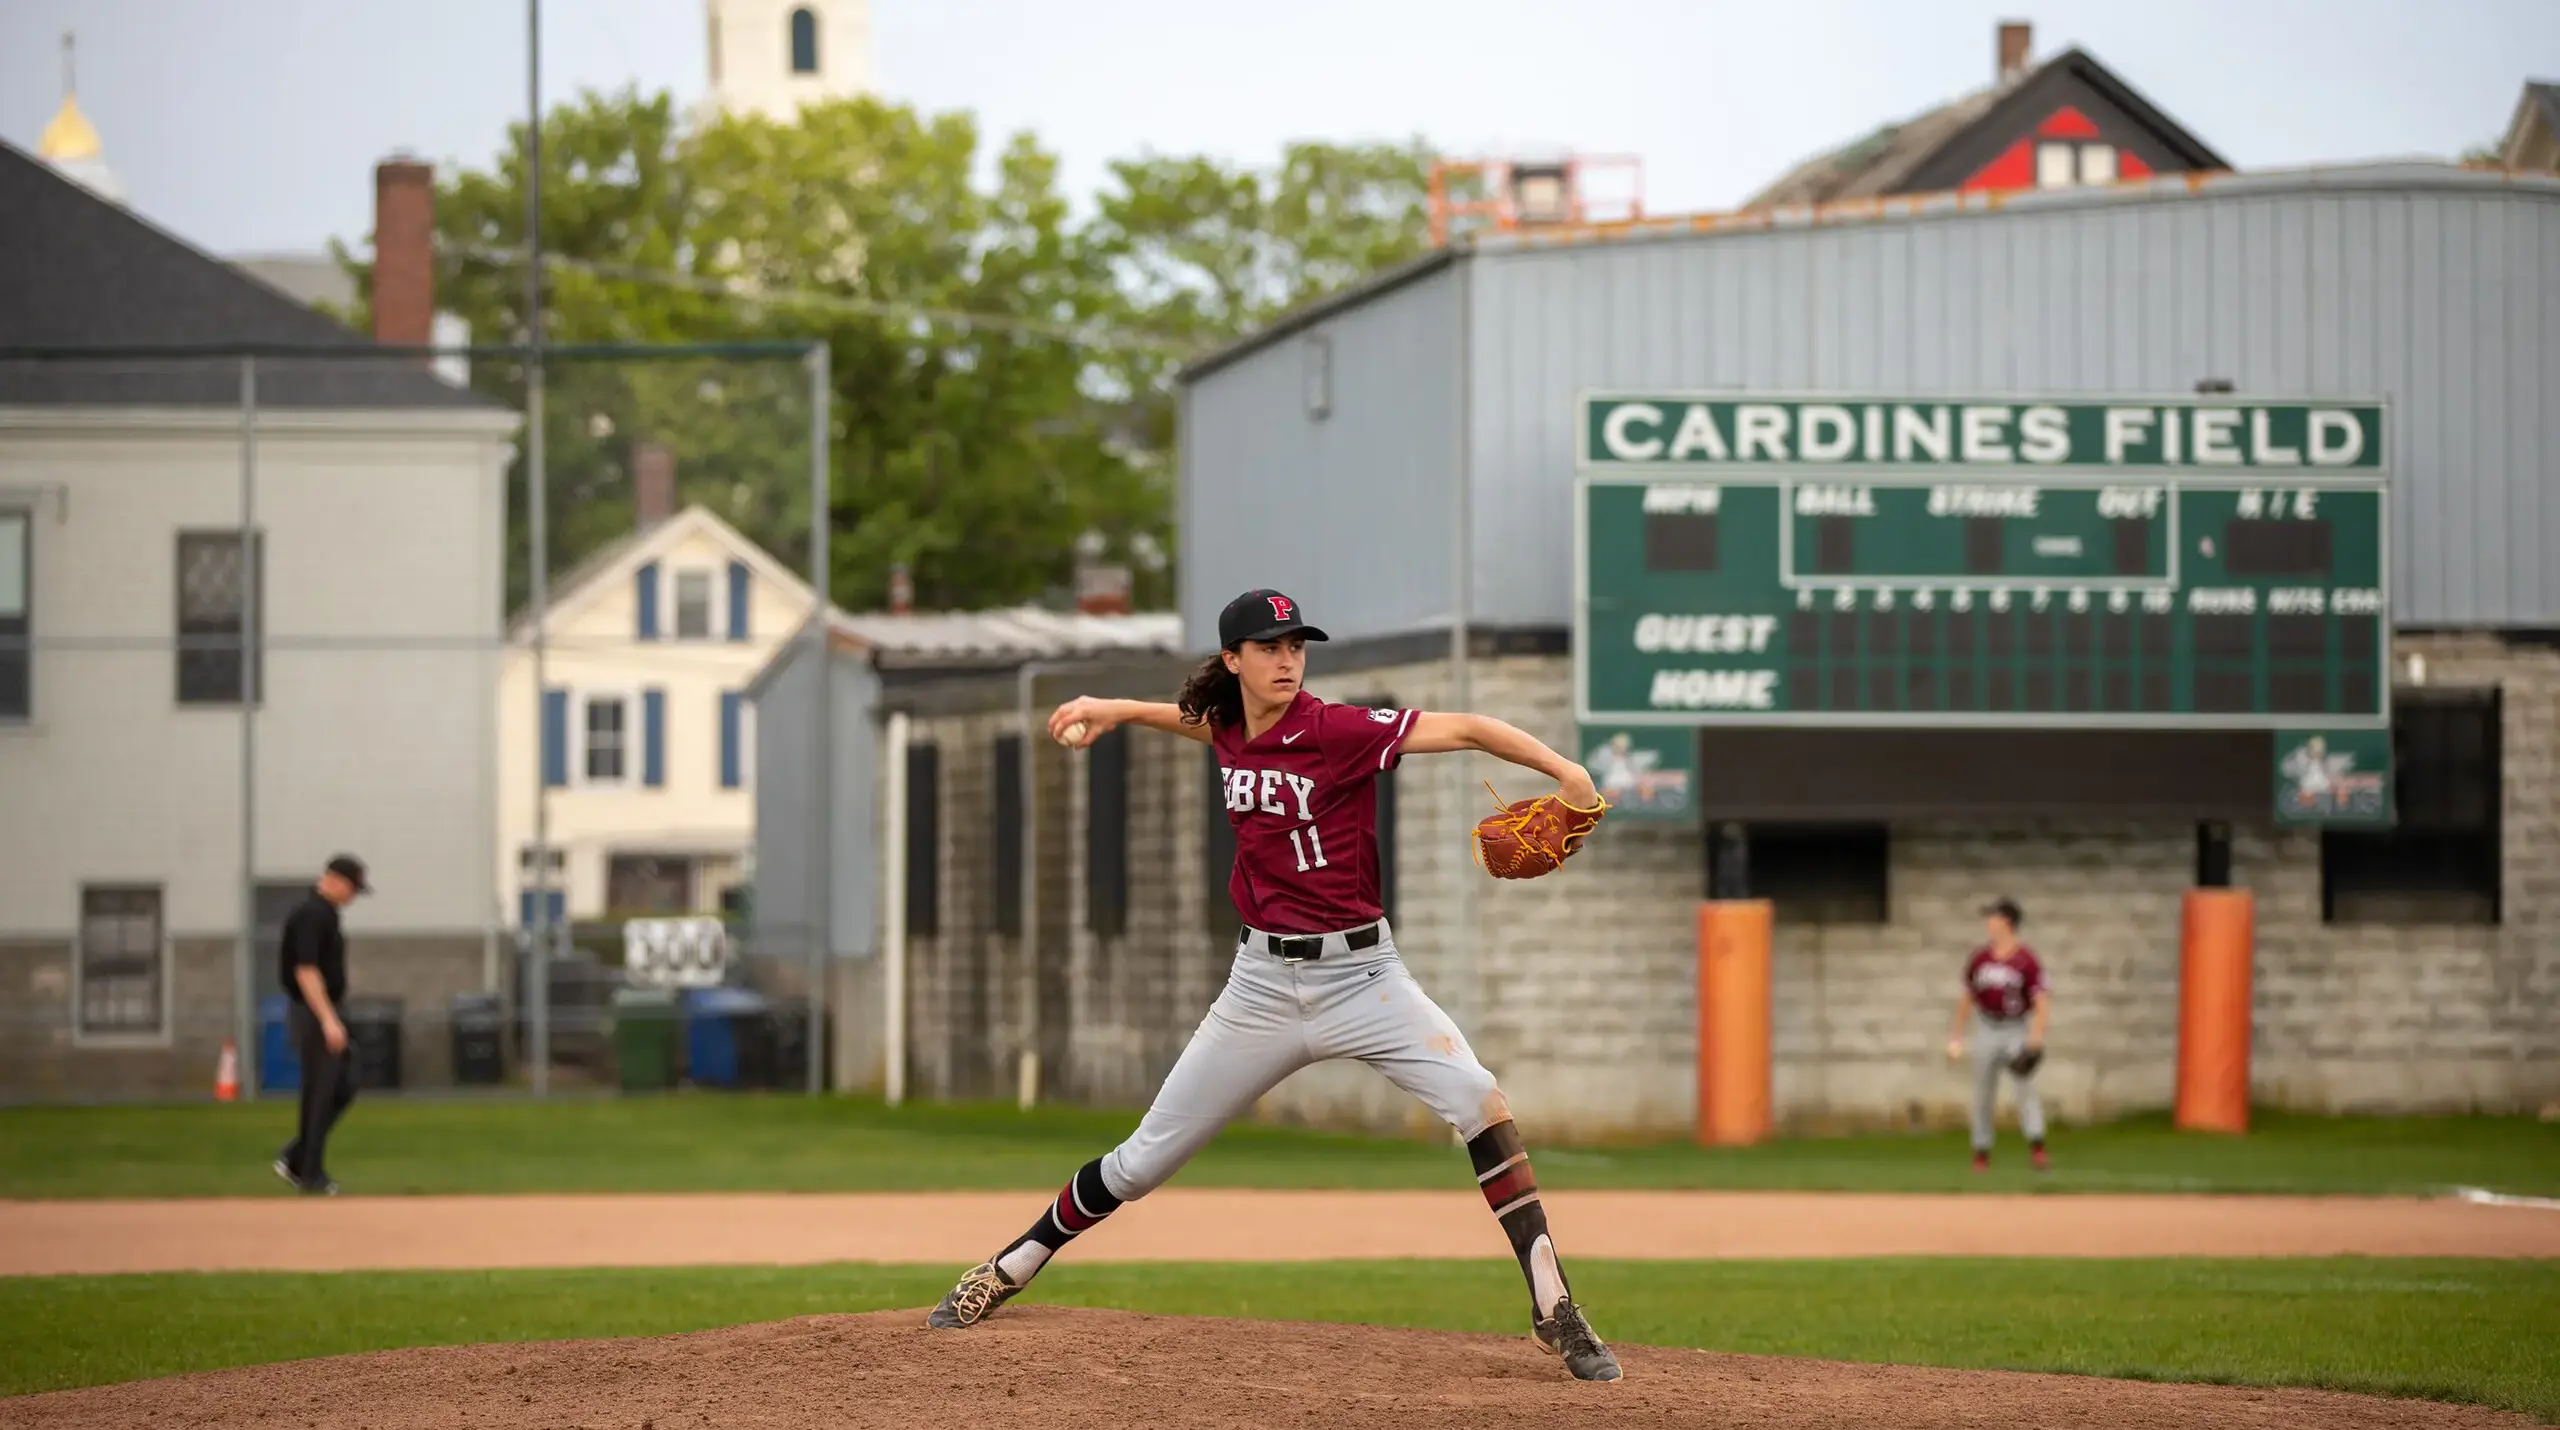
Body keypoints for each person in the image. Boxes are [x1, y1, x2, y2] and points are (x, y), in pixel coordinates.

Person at [922, 588, 1623, 1382]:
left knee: (1480, 1100)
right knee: (1142, 1163)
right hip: (1258, 988)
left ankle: (1554, 1307)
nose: (1287, 658)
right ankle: (1007, 1268)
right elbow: (1189, 721)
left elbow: (1466, 728)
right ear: (1234, 660)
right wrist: (1110, 706)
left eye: (1296, 644)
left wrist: (1566, 771)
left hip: (1365, 978)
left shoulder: (1337, 730)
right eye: (1268, 646)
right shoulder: (1227, 727)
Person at [273, 855, 368, 1195]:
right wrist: (328, 1019)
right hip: (312, 1010)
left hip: (324, 1009)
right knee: (321, 1089)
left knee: (345, 1081)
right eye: (353, 888)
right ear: (335, 880)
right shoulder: (312, 915)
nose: (354, 896)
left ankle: (298, 1156)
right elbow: (306, 970)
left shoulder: (326, 915)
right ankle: (309, 1173)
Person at [1944, 896, 2050, 1172]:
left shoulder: (2027, 960)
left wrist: (2036, 1038)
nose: (1988, 922)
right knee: (1982, 1094)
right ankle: (1981, 1153)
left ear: (2007, 922)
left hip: (2016, 1029)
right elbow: (1968, 997)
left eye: (1992, 917)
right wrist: (1956, 1033)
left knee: (2025, 1091)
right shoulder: (1980, 959)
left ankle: (2037, 1148)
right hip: (1987, 1028)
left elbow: (2041, 1002)